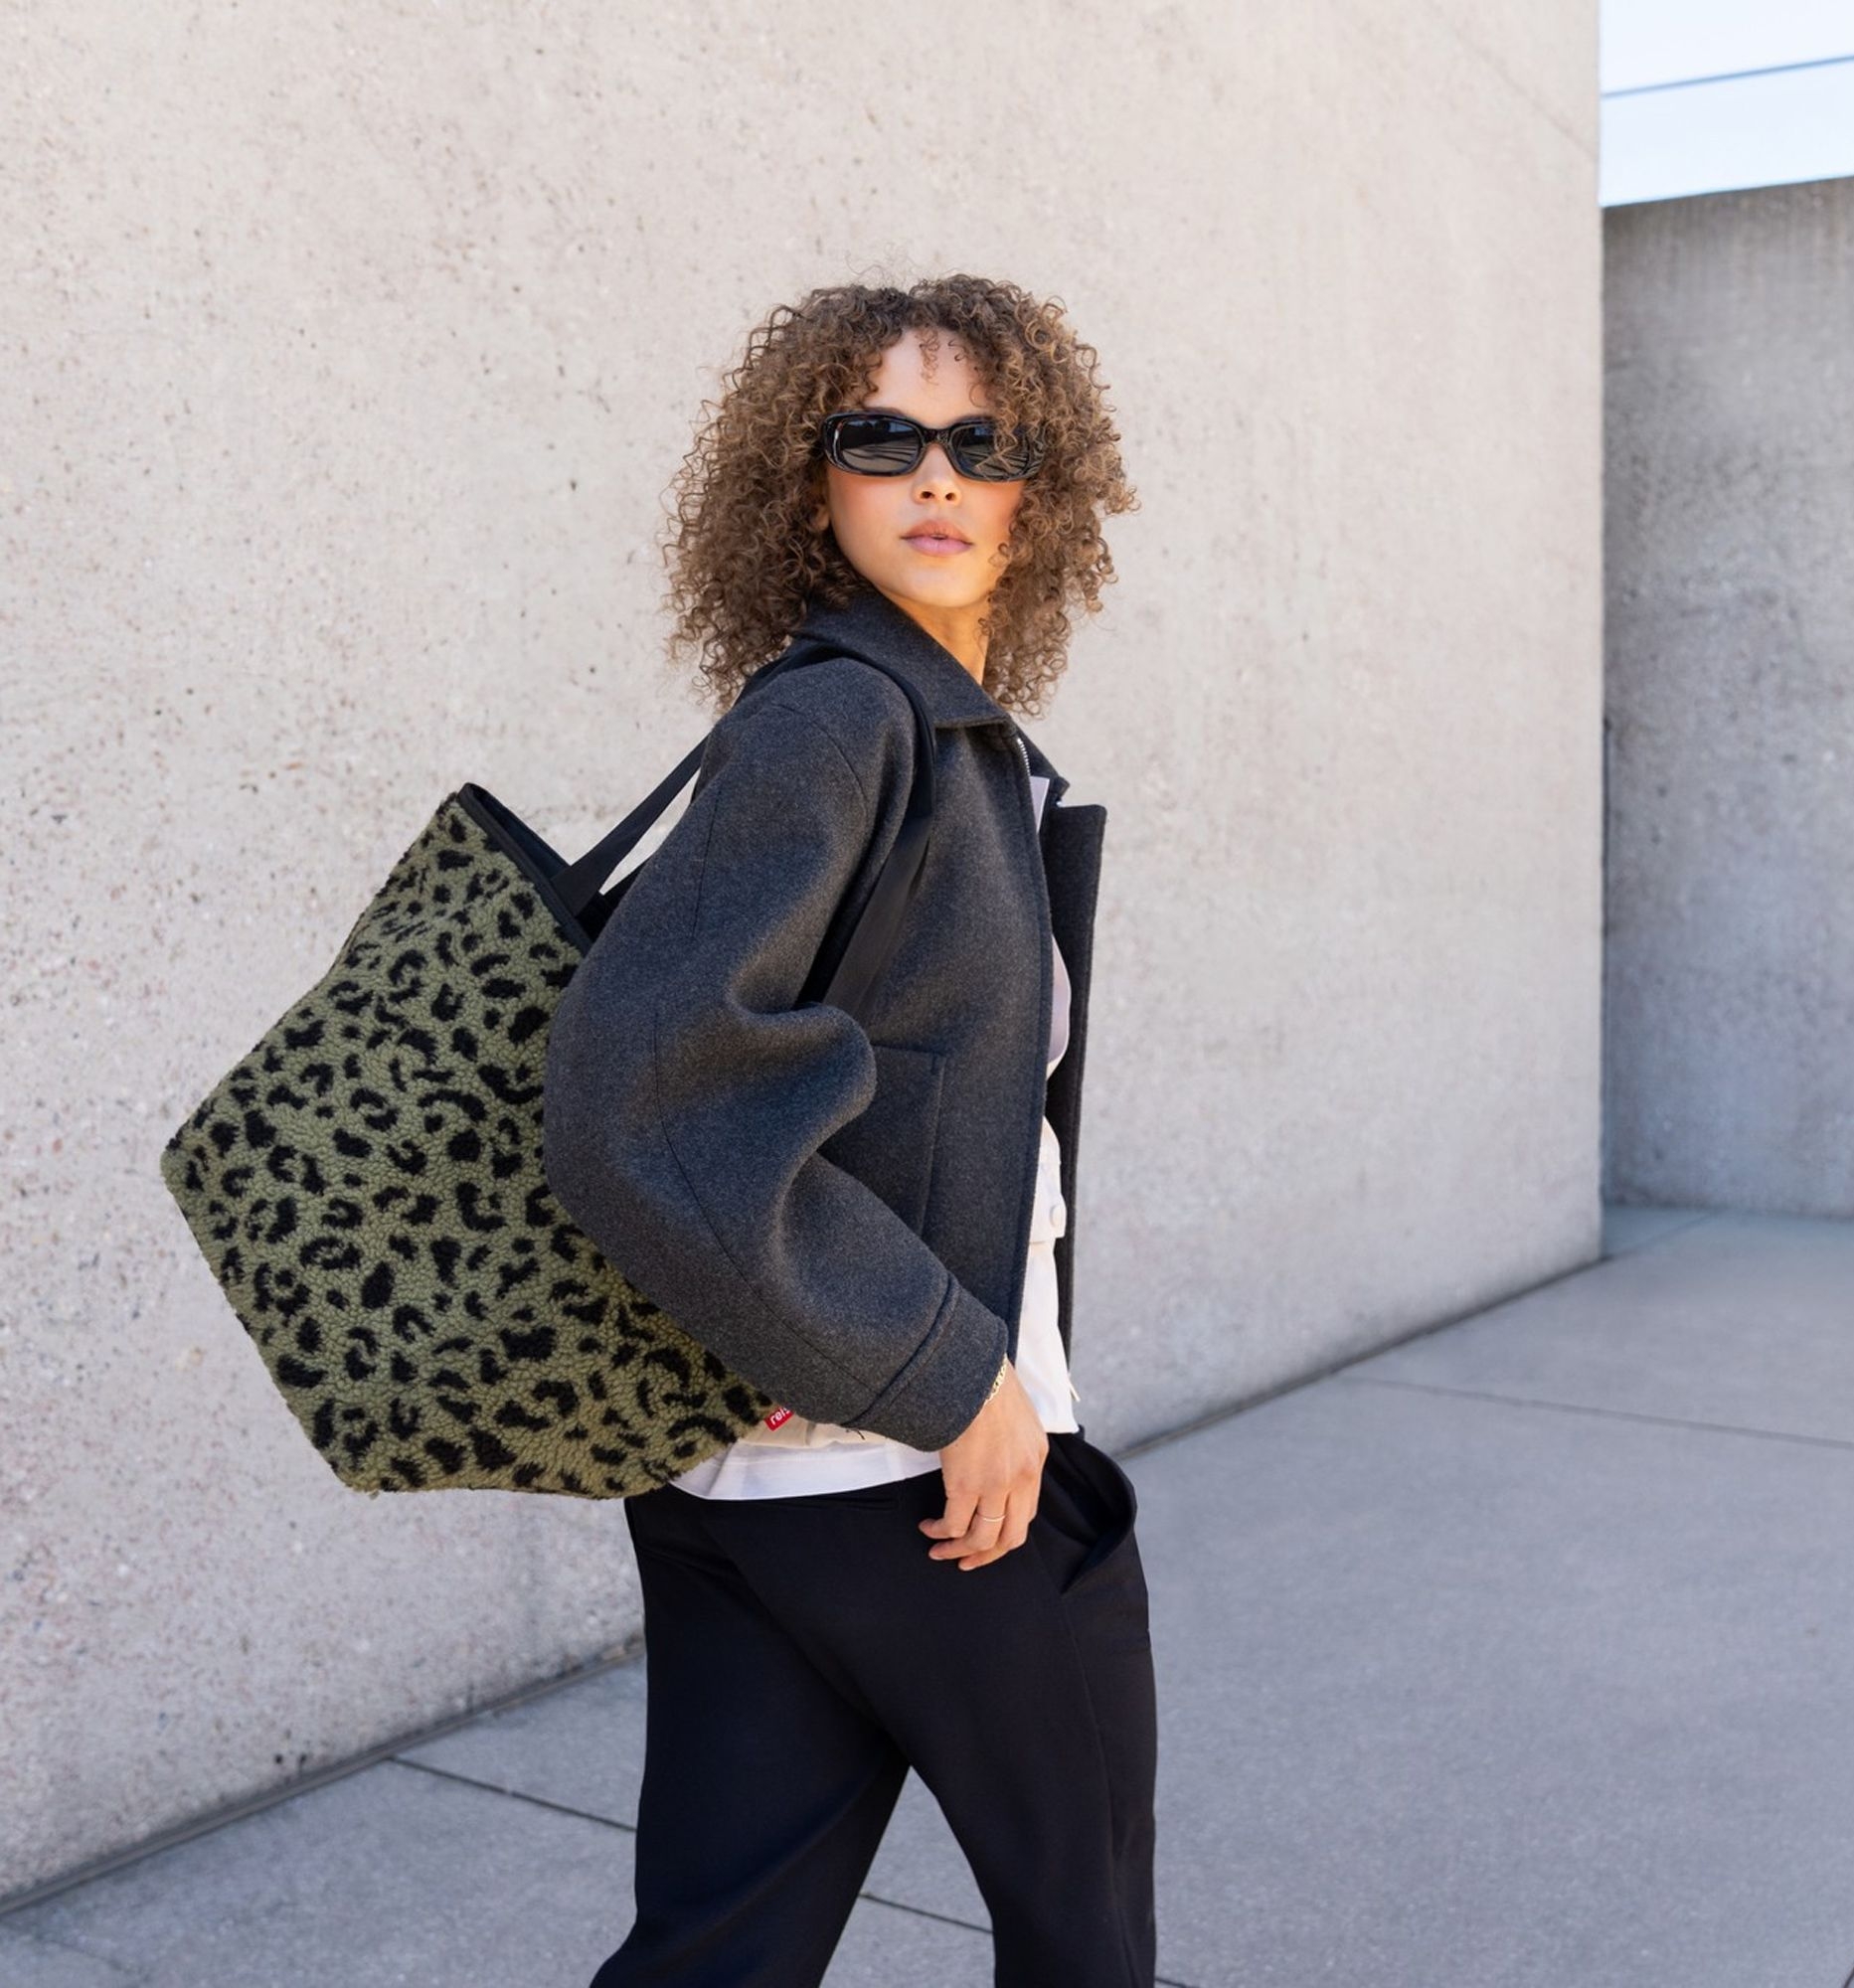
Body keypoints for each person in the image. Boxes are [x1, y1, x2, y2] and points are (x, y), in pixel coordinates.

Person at [541, 272, 1154, 1986]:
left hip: (756, 1489)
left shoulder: (935, 736)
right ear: (810, 487)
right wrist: (959, 1380)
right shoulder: (841, 721)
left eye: (983, 441)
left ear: (1045, 494)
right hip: (929, 1488)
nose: (936, 476)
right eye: (881, 437)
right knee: (1085, 1939)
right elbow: (635, 1101)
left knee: (717, 1955)